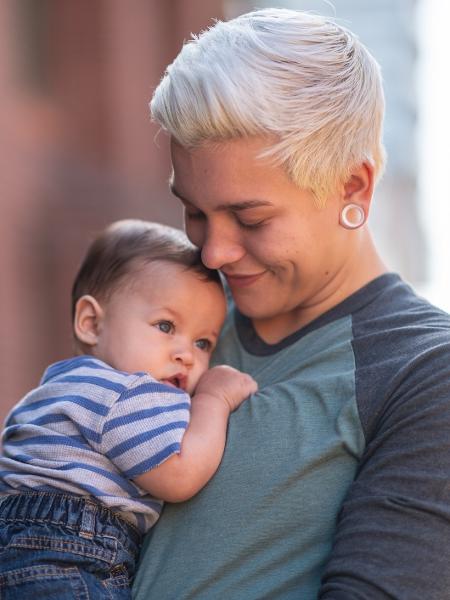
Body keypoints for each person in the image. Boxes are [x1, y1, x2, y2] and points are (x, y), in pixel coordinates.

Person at [132, 8, 450, 600]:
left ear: (353, 187)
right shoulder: (163, 322)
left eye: (249, 218)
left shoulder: (425, 373)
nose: (213, 252)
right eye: (195, 212)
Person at [0, 219, 257, 599]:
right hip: (68, 550)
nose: (185, 354)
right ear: (91, 323)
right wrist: (213, 401)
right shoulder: (125, 392)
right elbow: (180, 475)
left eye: (203, 343)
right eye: (166, 326)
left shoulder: (61, 386)